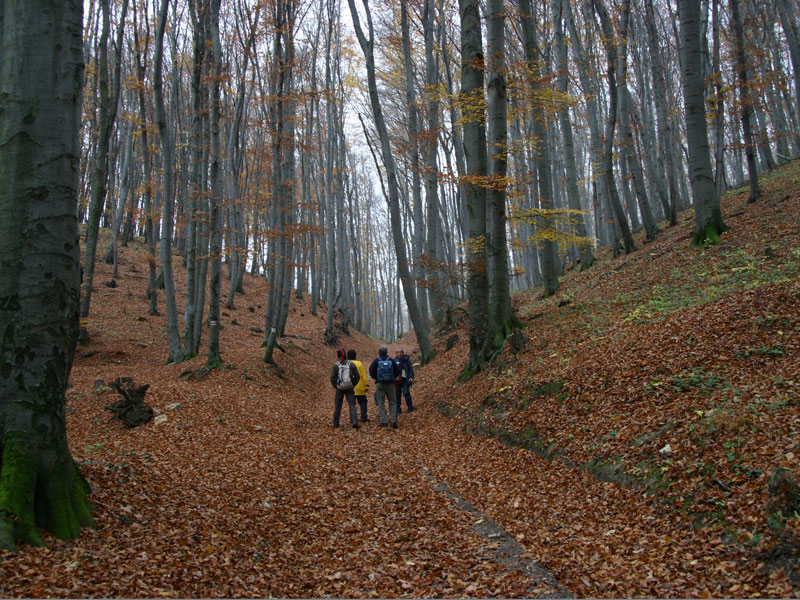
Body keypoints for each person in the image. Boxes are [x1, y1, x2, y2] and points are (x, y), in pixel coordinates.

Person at [369, 345, 401, 428]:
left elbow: (371, 371)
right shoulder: (391, 360)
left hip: (380, 384)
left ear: (379, 352)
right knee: (393, 402)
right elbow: (397, 372)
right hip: (390, 384)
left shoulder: (376, 361)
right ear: (387, 352)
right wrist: (391, 378)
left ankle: (384, 422)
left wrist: (377, 378)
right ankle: (393, 421)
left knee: (381, 403)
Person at [330, 347, 360, 429]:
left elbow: (332, 377)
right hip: (350, 387)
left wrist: (335, 385)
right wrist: (353, 384)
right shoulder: (351, 364)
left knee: (338, 406)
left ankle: (336, 424)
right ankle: (354, 421)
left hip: (339, 388)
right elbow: (357, 376)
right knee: (352, 405)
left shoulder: (336, 365)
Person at [347, 349, 369, 423]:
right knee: (363, 403)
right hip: (360, 387)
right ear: (355, 355)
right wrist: (366, 385)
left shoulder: (346, 364)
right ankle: (364, 418)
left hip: (350, 387)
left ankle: (353, 419)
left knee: (352, 404)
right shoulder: (359, 363)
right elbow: (363, 376)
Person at [394, 348, 415, 414]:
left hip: (405, 380)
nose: (400, 353)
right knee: (397, 395)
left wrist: (411, 377)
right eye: (398, 352)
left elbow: (410, 369)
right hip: (397, 381)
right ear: (396, 353)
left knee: (406, 393)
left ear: (403, 353)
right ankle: (398, 410)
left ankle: (410, 408)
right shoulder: (394, 361)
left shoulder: (407, 359)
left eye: (401, 352)